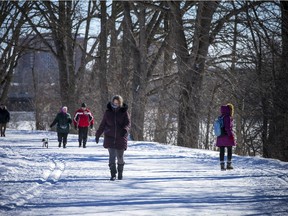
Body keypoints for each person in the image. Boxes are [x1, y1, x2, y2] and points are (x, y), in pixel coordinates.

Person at [95, 95, 130, 181]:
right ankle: (113, 174)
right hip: (109, 137)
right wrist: (98, 134)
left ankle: (120, 173)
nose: (115, 104)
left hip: (120, 137)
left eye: (117, 103)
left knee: (120, 157)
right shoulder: (108, 112)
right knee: (112, 156)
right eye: (114, 103)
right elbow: (103, 124)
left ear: (120, 103)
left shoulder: (124, 112)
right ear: (112, 102)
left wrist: (125, 130)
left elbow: (128, 123)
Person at [216, 103, 236, 171]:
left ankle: (222, 165)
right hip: (227, 136)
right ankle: (228, 164)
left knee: (222, 150)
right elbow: (228, 127)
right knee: (229, 150)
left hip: (220, 136)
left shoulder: (220, 117)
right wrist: (230, 135)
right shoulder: (227, 117)